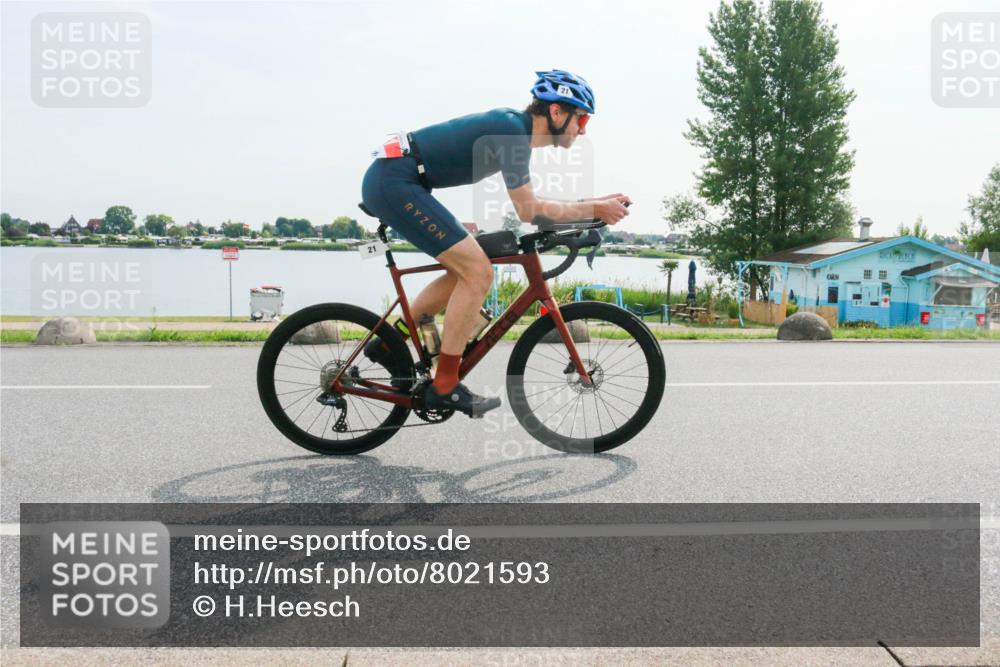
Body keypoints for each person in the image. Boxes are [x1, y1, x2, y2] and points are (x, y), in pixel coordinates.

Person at [360, 70, 631, 417]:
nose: (584, 129)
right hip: (394, 180)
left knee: (470, 266)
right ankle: (444, 386)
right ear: (557, 112)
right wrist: (594, 207)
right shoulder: (512, 131)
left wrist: (595, 204)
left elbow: (533, 206)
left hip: (400, 179)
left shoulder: (515, 132)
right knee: (478, 272)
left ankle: (386, 346)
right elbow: (529, 209)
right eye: (583, 118)